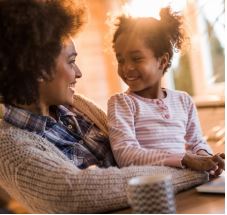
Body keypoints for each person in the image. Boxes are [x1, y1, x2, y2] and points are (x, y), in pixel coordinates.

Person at [0, 0, 221, 213]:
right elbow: (76, 193)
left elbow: (132, 151)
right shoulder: (9, 146)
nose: (79, 73)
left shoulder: (76, 106)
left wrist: (203, 160)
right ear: (40, 69)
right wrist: (196, 170)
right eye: (71, 61)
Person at [107, 7, 225, 174]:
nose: (127, 67)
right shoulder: (121, 103)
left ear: (162, 61)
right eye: (120, 60)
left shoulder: (183, 100)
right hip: (153, 188)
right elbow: (126, 154)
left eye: (136, 58)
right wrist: (184, 158)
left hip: (187, 182)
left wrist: (207, 159)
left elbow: (197, 143)